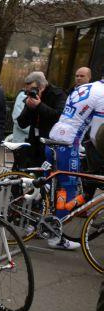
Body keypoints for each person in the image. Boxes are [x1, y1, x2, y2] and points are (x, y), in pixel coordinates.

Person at [46, 79, 104, 250]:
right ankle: (56, 237)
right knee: (68, 190)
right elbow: (97, 135)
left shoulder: (89, 86)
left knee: (49, 186)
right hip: (69, 143)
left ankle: (37, 223)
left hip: (55, 136)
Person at [16, 71, 66, 169]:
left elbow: (59, 117)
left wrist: (39, 105)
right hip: (34, 144)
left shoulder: (58, 95)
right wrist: (29, 108)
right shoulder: (32, 97)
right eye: (28, 91)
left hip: (50, 143)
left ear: (42, 86)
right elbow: (21, 123)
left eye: (33, 90)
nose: (30, 93)